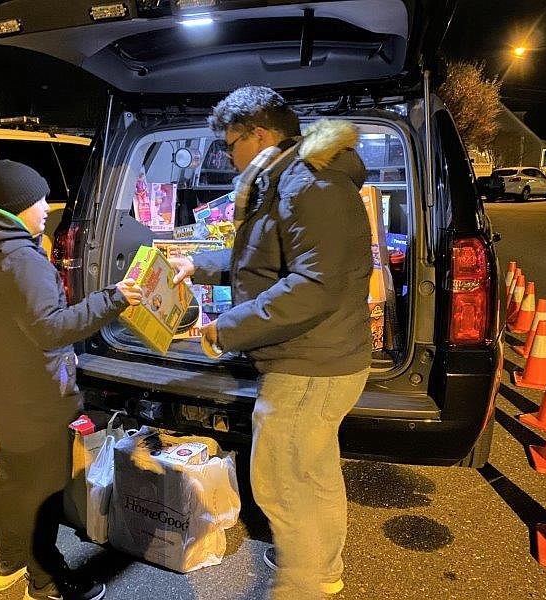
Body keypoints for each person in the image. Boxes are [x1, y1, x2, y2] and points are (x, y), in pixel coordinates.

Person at [170, 86, 372, 599]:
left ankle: (297, 586)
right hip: (320, 358)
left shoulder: (309, 182)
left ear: (258, 133)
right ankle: (321, 571)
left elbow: (314, 284)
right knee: (313, 473)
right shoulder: (290, 177)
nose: (228, 153)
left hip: (308, 365)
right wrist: (201, 265)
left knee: (283, 486)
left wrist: (227, 327)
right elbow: (268, 256)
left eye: (230, 142)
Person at [0, 159, 141, 600]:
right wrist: (113, 299)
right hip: (38, 398)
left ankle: (7, 563)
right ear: (17, 205)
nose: (46, 207)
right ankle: (45, 582)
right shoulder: (23, 260)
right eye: (39, 199)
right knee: (43, 491)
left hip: (5, 395)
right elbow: (53, 328)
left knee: (12, 480)